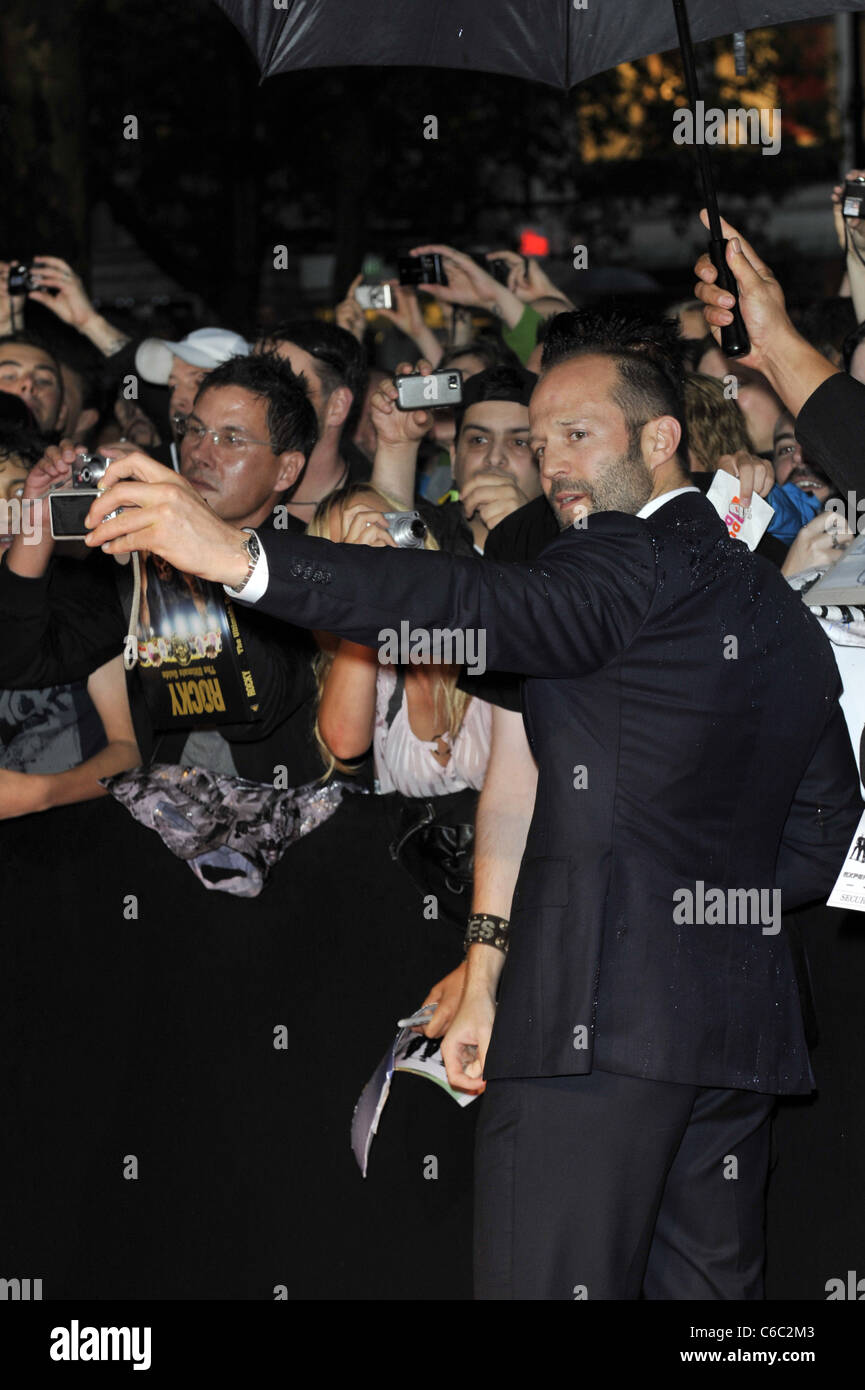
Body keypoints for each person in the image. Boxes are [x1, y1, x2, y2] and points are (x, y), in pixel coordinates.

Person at [84, 312, 862, 1301]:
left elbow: (470, 603)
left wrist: (244, 557)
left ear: (661, 439)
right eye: (538, 442)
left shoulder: (619, 563)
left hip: (595, 1030)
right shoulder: (771, 607)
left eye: (577, 434)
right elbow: (818, 828)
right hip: (733, 1042)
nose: (551, 463)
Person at [256, 318, 369, 522]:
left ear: (337, 406)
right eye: (254, 383)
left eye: (288, 386)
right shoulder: (224, 489)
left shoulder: (374, 510)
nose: (260, 399)